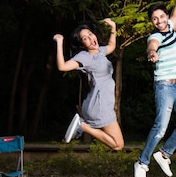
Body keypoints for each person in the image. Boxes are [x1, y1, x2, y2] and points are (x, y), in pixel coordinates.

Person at [134, 0, 176, 177]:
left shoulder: (172, 27)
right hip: (164, 86)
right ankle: (142, 163)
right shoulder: (156, 36)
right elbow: (152, 47)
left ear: (166, 17)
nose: (159, 21)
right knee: (160, 127)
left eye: (161, 17)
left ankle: (164, 154)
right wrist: (151, 54)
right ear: (152, 22)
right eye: (154, 19)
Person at [53, 18, 125, 151]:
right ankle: (83, 126)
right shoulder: (84, 56)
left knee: (118, 145)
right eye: (85, 38)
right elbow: (62, 66)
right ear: (83, 44)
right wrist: (59, 43)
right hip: (99, 105)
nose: (90, 38)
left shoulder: (100, 52)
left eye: (90, 34)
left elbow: (111, 46)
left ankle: (83, 125)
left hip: (102, 103)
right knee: (118, 145)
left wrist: (113, 28)